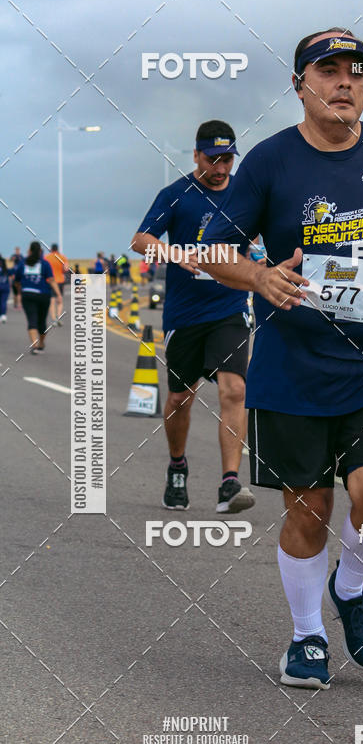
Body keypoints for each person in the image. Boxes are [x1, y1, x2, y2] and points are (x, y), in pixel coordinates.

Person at [197, 28, 363, 689]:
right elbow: (214, 250)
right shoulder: (270, 162)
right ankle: (307, 637)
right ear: (300, 85)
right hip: (292, 370)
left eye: (356, 71)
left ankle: (349, 588)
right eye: (328, 70)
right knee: (309, 512)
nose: (345, 82)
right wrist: (260, 276)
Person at [131, 119, 256, 515]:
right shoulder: (176, 195)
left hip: (229, 308)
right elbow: (140, 240)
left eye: (227, 160)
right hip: (185, 313)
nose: (221, 168)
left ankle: (229, 483)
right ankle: (177, 466)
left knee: (234, 390)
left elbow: (261, 234)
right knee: (181, 399)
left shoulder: (245, 192)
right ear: (196, 155)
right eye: (212, 160)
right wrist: (174, 254)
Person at [13, 241, 61, 353]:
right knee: (42, 321)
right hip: (43, 295)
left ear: (29, 251)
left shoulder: (22, 263)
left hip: (28, 294)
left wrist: (20, 290)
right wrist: (58, 294)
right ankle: (41, 343)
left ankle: (34, 345)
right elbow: (51, 280)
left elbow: (16, 281)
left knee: (32, 320)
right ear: (40, 251)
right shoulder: (45, 264)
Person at [45, 243, 69, 327]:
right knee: (60, 299)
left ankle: (53, 318)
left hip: (50, 280)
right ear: (57, 249)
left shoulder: (46, 257)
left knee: (52, 300)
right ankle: (59, 317)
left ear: (51, 249)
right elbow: (66, 269)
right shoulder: (62, 257)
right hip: (60, 280)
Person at [0, 257, 11, 321]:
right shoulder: (6, 270)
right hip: (5, 287)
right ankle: (3, 315)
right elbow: (12, 276)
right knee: (3, 301)